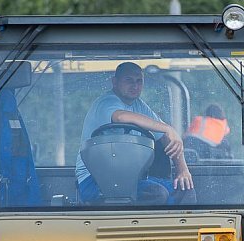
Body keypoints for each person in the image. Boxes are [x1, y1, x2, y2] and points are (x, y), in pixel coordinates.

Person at [76, 62, 193, 204]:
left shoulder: (139, 105)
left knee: (184, 189)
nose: (135, 86)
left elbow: (165, 137)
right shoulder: (106, 102)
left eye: (139, 81)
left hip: (131, 177)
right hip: (94, 180)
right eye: (128, 80)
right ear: (115, 82)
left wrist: (182, 170)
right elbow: (120, 117)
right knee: (157, 194)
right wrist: (168, 128)